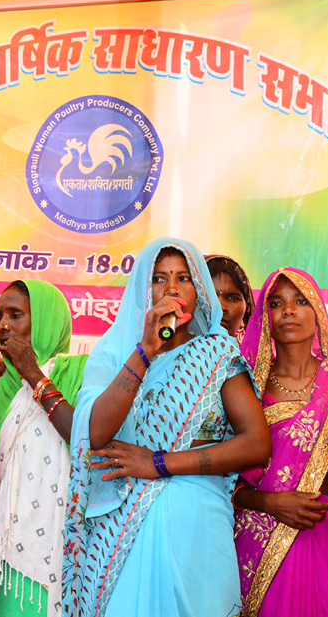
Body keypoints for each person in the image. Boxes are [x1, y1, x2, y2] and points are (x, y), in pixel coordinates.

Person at [64, 237, 271, 617]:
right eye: (159, 278)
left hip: (195, 537)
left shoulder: (217, 351)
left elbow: (256, 444)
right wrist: (144, 350)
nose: (171, 289)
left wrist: (158, 463)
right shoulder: (113, 352)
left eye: (184, 278)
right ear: (143, 288)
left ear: (199, 290)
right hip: (119, 534)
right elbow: (94, 433)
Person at [234, 268, 328, 616]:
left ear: (319, 310)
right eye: (277, 303)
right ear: (265, 316)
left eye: (300, 301)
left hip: (327, 531)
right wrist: (271, 503)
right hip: (258, 533)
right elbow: (223, 479)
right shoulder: (245, 384)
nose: (288, 310)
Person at [0, 280, 87, 617]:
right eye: (0, 315)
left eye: (16, 315)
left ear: (46, 320)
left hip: (74, 544)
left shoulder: (81, 372)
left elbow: (83, 437)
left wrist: (33, 373)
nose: (2, 325)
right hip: (12, 551)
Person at [205, 254, 255, 340]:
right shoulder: (179, 352)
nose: (221, 307)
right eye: (210, 297)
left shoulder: (255, 353)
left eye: (232, 298)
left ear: (247, 308)